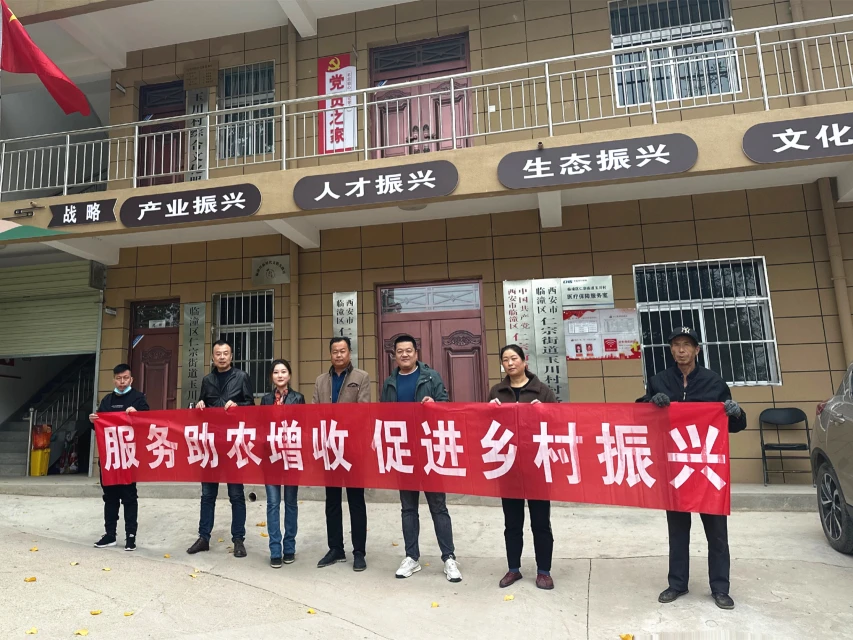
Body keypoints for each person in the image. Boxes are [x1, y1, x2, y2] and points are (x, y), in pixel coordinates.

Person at [641, 327, 747, 611]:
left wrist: (735, 412)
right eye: (676, 344)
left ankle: (720, 588)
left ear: (697, 350)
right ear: (671, 350)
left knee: (717, 533)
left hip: (707, 470)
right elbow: (640, 414)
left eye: (687, 344)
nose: (681, 350)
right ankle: (677, 583)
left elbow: (735, 424)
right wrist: (652, 402)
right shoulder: (659, 380)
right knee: (677, 531)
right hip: (675, 468)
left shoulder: (714, 382)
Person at [380, 334, 461, 583]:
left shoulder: (431, 377)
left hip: (429, 450)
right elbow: (383, 415)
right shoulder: (390, 382)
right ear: (394, 355)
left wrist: (434, 404)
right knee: (408, 508)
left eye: (409, 350)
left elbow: (446, 406)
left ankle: (449, 558)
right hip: (403, 452)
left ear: (416, 353)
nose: (404, 354)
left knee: (438, 506)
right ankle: (411, 557)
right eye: (400, 351)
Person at [488, 344, 557, 590]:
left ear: (524, 361)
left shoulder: (542, 390)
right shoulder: (497, 391)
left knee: (541, 522)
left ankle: (544, 571)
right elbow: (487, 428)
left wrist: (544, 412)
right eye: (505, 359)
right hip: (509, 466)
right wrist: (490, 412)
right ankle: (513, 569)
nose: (510, 363)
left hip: (536, 464)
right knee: (512, 523)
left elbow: (557, 423)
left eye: (514, 358)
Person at [187, 339, 254, 558]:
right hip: (211, 444)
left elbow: (251, 407)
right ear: (213, 357)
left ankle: (238, 539)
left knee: (236, 494)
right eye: (218, 354)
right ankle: (203, 537)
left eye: (226, 353)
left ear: (231, 356)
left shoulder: (241, 377)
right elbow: (202, 407)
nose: (222, 357)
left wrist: (238, 405)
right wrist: (200, 405)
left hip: (233, 444)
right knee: (208, 494)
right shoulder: (207, 380)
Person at [312, 337, 371, 572]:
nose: (338, 355)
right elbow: (315, 412)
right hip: (329, 448)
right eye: (335, 351)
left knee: (356, 501)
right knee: (332, 501)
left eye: (342, 351)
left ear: (349, 352)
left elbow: (363, 411)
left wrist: (341, 425)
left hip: (353, 448)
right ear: (330, 354)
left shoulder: (361, 377)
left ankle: (359, 552)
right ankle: (335, 548)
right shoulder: (321, 380)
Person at [88, 363, 149, 551]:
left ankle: (131, 536)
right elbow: (100, 427)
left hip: (129, 457)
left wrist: (137, 415)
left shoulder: (139, 399)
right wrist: (93, 421)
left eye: (125, 378)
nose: (122, 382)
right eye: (119, 378)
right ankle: (110, 534)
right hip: (110, 457)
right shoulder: (107, 400)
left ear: (131, 379)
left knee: (129, 497)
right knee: (110, 497)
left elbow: (148, 422)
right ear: (114, 380)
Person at [260, 358, 304, 569]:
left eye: (283, 371)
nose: (280, 375)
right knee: (272, 504)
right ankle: (275, 550)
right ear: (272, 376)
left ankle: (289, 548)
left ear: (289, 375)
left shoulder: (298, 398)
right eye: (276, 372)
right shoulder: (266, 400)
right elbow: (260, 427)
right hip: (271, 458)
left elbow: (303, 425)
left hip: (292, 456)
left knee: (291, 503)